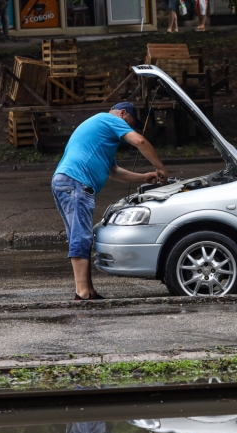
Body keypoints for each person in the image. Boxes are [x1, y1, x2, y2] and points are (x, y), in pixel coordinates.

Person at [51, 102, 168, 301]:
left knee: (81, 236)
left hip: (67, 181)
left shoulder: (101, 133)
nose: (130, 128)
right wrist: (161, 167)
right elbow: (139, 141)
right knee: (80, 236)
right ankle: (82, 293)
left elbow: (113, 172)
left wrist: (143, 177)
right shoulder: (109, 119)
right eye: (131, 123)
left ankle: (88, 291)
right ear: (122, 114)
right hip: (75, 182)